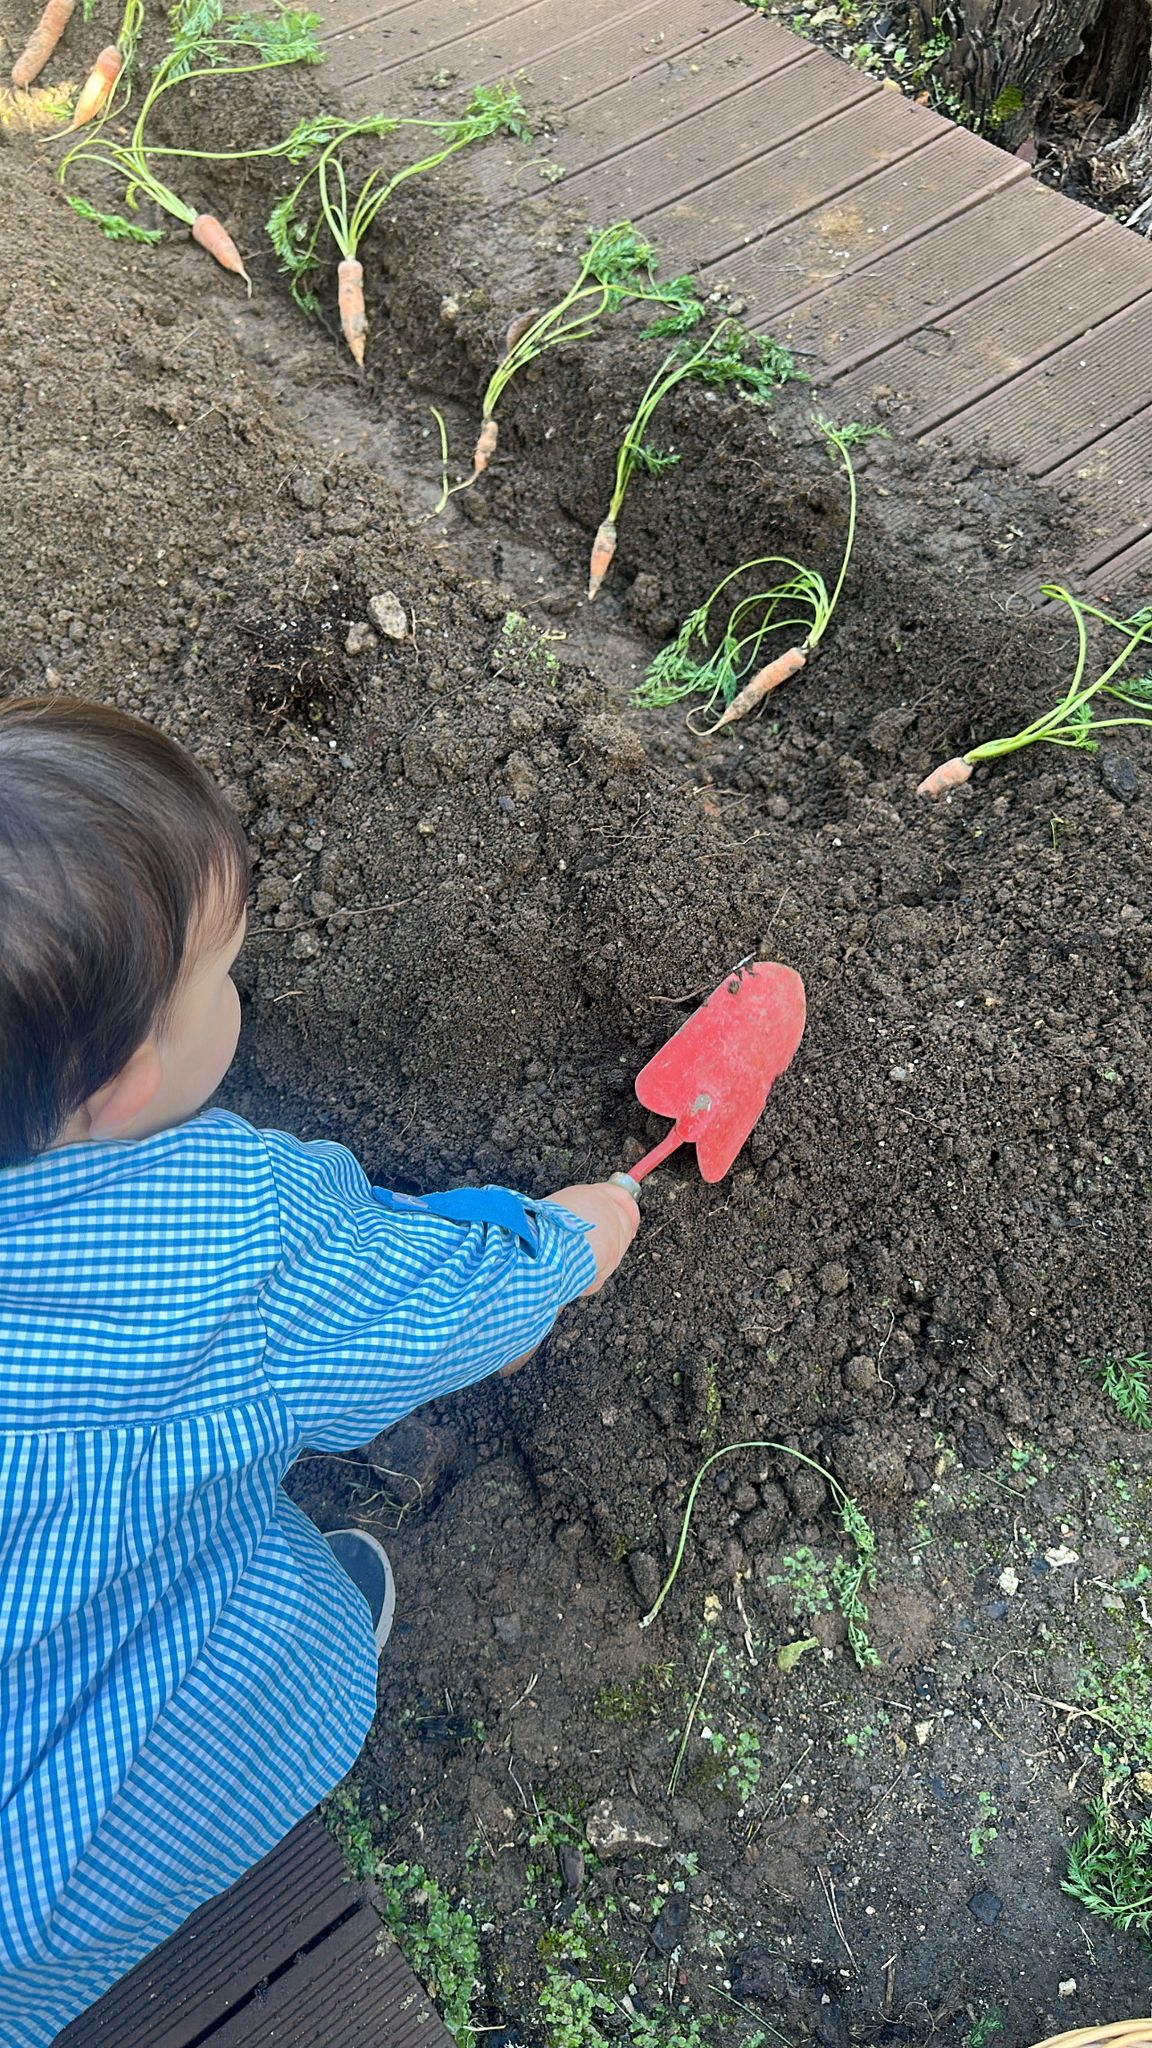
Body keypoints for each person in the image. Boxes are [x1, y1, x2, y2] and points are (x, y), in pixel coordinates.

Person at [0, 695, 640, 2047]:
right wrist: (575, 1239)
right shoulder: (216, 1240)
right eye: (221, 976)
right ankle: (301, 1671)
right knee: (272, 1659)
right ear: (122, 1081)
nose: (239, 990)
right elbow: (462, 1315)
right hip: (51, 1827)